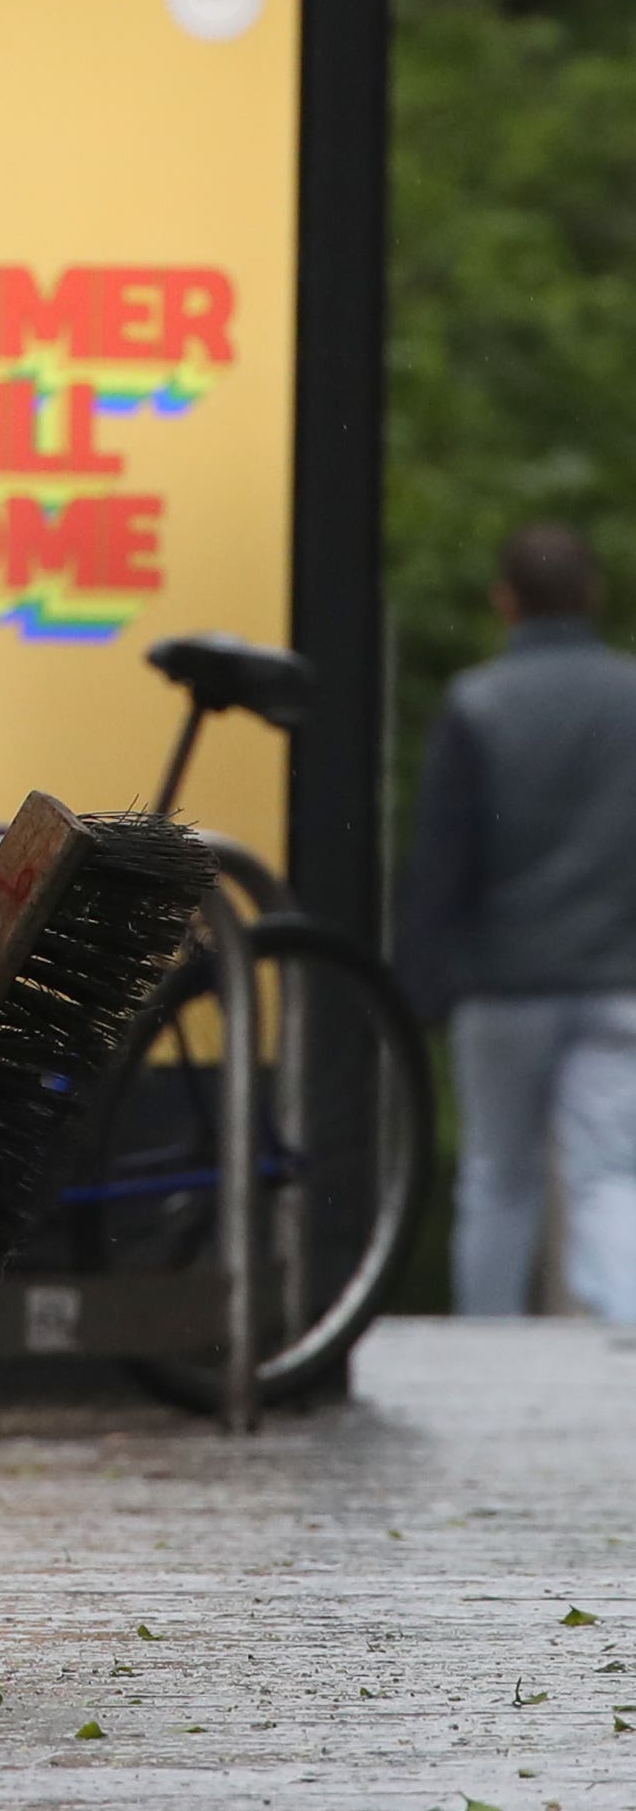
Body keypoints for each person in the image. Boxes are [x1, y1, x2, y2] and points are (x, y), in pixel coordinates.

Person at [397, 521, 636, 1322]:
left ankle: (484, 1341)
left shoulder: (477, 704)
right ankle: (626, 1330)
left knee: (499, 1176)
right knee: (609, 1172)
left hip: (500, 987)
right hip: (614, 979)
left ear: (505, 602)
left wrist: (421, 984)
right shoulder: (628, 698)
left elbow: (442, 859)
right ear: (592, 595)